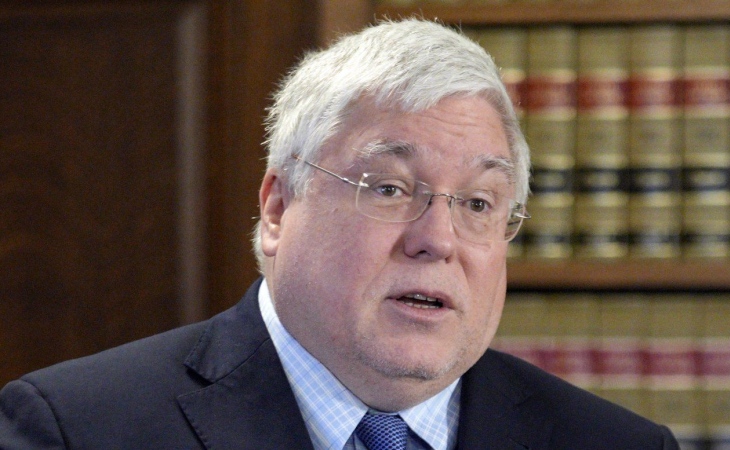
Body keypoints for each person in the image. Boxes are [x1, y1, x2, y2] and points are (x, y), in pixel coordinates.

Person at [0, 18, 679, 449]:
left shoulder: (616, 443)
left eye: (478, 202)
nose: (437, 239)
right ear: (276, 209)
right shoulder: (74, 429)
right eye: (388, 189)